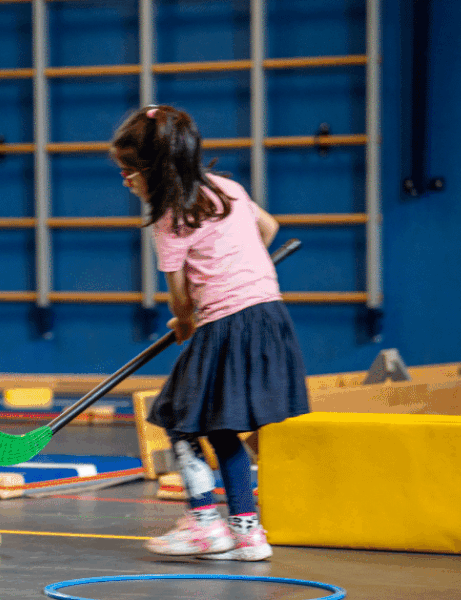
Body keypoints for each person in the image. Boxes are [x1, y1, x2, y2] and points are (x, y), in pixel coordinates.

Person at [110, 105, 309, 561]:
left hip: (226, 326)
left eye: (129, 171)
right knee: (221, 427)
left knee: (176, 417)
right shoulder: (229, 188)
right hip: (270, 318)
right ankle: (247, 532)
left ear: (155, 172)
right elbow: (270, 227)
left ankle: (204, 523)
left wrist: (183, 323)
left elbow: (181, 301)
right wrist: (243, 268)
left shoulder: (169, 219)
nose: (125, 181)